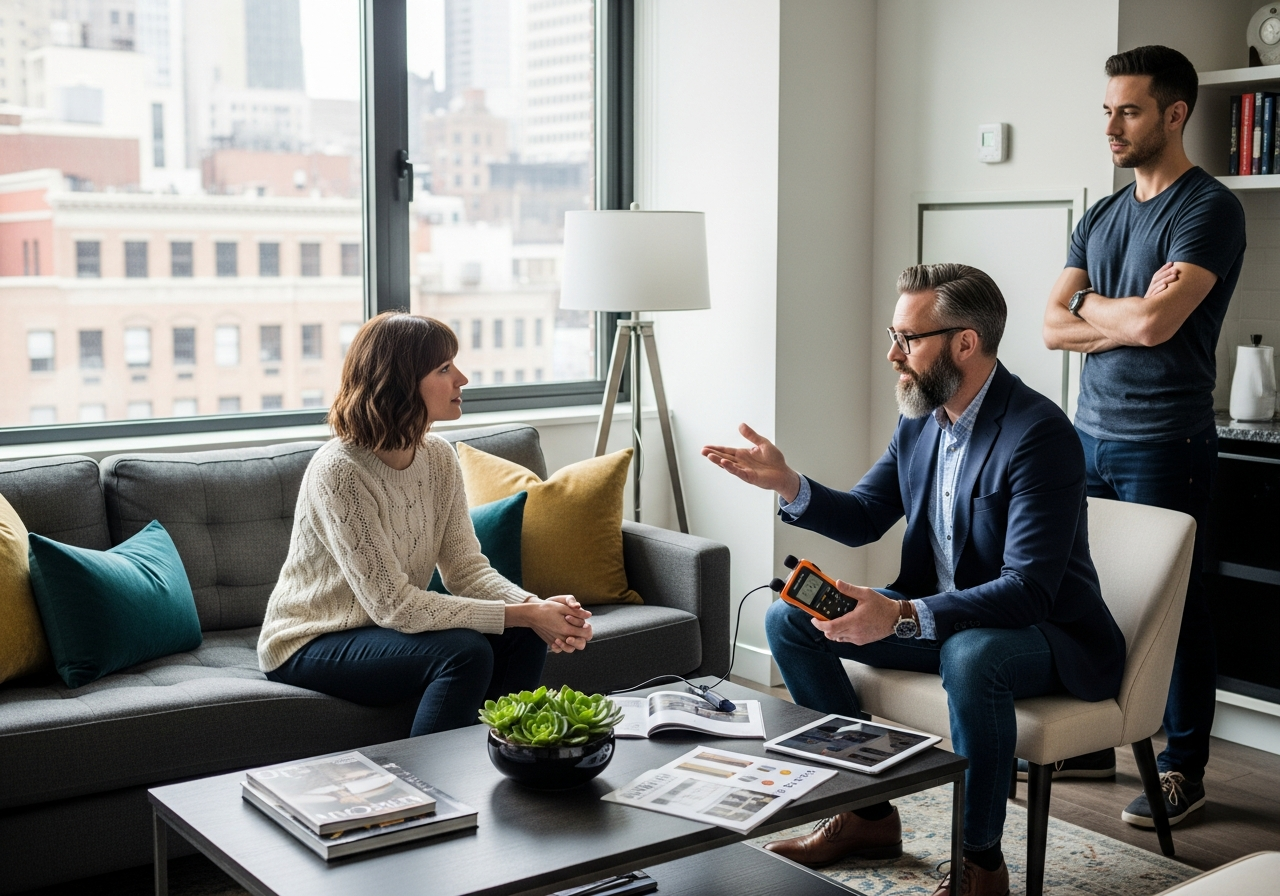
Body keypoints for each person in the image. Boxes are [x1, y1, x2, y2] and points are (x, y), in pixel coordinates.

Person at [703, 264, 1125, 896]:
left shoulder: (1039, 434)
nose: (893, 354)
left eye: (909, 339)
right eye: (893, 334)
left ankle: (981, 864)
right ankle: (869, 815)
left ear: (965, 343)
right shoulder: (920, 422)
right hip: (945, 616)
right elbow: (865, 516)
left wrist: (899, 615)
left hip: (1042, 631)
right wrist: (789, 484)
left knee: (973, 652)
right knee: (788, 619)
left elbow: (1029, 588)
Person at [1042, 46, 1246, 828]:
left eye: (1127, 111)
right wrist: (1116, 312)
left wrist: (1099, 307)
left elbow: (1159, 324)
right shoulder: (1100, 212)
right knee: (1086, 591)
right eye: (1106, 111)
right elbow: (1050, 326)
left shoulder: (1208, 210)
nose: (1112, 126)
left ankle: (1182, 766)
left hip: (1169, 444)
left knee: (1178, 607)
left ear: (1174, 113)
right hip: (1088, 436)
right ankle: (1095, 734)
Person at [257, 312, 593, 736]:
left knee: (524, 635)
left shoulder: (437, 456)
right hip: (310, 642)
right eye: (444, 368)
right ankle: (428, 790)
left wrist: (541, 610)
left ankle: (506, 761)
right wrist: (524, 613)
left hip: (384, 631)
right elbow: (394, 605)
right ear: (400, 381)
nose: (462, 379)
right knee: (465, 652)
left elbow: (466, 570)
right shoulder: (340, 471)